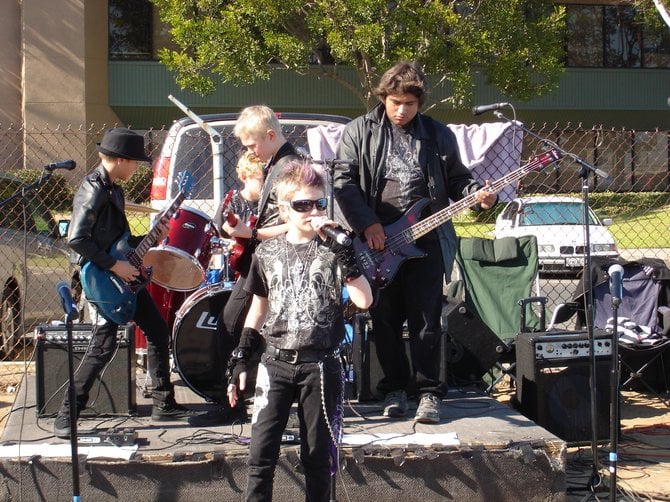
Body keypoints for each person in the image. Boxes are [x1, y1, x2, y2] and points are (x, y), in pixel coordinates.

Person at [333, 61, 497, 424]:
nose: (402, 110)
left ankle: (428, 393)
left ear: (420, 102)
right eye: (395, 102)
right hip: (375, 243)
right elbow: (343, 182)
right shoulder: (359, 132)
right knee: (385, 319)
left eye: (409, 103)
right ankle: (393, 389)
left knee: (427, 322)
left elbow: (458, 180)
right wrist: (368, 225)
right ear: (383, 98)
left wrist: (477, 194)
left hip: (427, 241)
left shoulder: (438, 135)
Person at [227, 160, 373, 501]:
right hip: (275, 362)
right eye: (302, 205)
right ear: (283, 209)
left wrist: (345, 254)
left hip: (320, 365)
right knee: (260, 455)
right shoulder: (266, 251)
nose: (312, 211)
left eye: (319, 203)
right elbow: (258, 307)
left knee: (318, 458)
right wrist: (241, 356)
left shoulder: (336, 250)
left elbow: (364, 300)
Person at [53, 128, 200, 438]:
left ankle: (163, 404)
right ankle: (67, 414)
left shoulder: (113, 189)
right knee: (103, 346)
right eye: (135, 163)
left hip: (123, 275)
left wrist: (149, 238)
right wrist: (115, 266)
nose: (137, 169)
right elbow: (77, 239)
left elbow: (119, 240)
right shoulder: (93, 189)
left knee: (158, 332)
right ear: (119, 160)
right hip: (104, 279)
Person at [189, 105, 298, 426]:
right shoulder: (277, 164)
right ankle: (237, 399)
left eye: (252, 145)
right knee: (234, 323)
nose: (250, 152)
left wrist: (250, 232)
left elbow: (299, 221)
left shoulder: (290, 167)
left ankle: (235, 403)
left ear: (270, 134)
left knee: (234, 323)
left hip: (277, 262)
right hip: (266, 260)